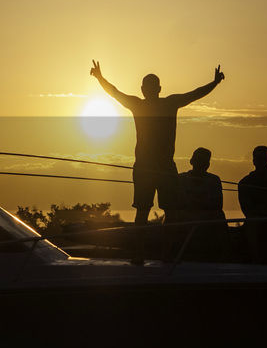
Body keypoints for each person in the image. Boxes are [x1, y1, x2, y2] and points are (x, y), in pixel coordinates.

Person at [89, 60, 224, 231]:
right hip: (154, 166)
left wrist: (100, 78)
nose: (149, 91)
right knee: (162, 211)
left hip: (156, 166)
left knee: (153, 211)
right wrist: (214, 83)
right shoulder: (164, 104)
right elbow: (195, 94)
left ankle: (148, 253)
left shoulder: (147, 104)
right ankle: (158, 253)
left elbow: (115, 92)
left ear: (147, 90)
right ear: (154, 89)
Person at [175, 147, 228, 261]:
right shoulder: (181, 178)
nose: (202, 163)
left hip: (206, 215)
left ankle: (222, 255)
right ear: (192, 161)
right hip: (186, 215)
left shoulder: (214, 180)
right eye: (199, 159)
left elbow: (218, 204)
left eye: (204, 160)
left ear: (208, 164)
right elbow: (178, 202)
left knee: (219, 215)